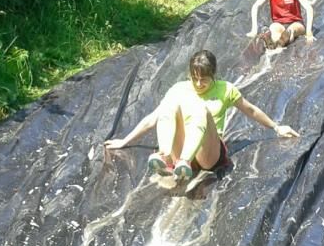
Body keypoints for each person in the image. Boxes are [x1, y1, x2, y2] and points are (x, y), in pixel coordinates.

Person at [104, 50, 299, 180]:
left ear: (213, 75)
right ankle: (164, 156)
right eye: (194, 78)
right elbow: (154, 118)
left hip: (207, 154)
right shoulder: (180, 88)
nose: (198, 84)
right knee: (171, 102)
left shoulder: (226, 90)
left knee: (200, 109)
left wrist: (276, 127)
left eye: (203, 80)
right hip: (179, 151)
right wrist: (124, 141)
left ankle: (185, 162)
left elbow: (250, 110)